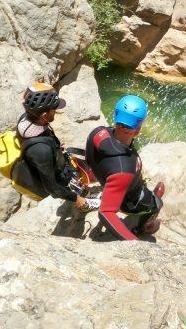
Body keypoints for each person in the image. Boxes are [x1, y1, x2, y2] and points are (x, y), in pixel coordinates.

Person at [85, 95, 164, 241]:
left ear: (115, 116)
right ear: (138, 130)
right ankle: (142, 228)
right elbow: (106, 212)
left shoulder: (97, 133)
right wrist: (133, 243)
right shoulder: (124, 169)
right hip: (128, 201)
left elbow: (89, 158)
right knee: (157, 203)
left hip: (110, 184)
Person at [15, 82, 98, 212]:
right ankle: (84, 203)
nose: (56, 110)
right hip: (55, 174)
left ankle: (83, 192)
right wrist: (76, 199)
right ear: (44, 115)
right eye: (54, 108)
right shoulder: (40, 151)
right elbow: (52, 187)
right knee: (71, 185)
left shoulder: (27, 119)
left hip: (54, 158)